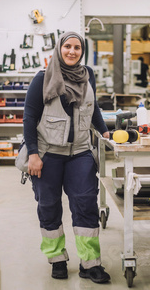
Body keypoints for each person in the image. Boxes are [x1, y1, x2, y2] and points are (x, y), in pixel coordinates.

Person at [23, 31, 111, 284]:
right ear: (59, 48)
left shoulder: (88, 76)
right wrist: (33, 155)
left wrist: (105, 132)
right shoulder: (42, 78)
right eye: (67, 46)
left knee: (86, 205)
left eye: (77, 47)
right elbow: (29, 118)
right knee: (49, 206)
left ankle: (90, 263)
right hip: (48, 154)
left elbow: (93, 110)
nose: (72, 51)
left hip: (81, 153)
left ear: (82, 51)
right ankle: (57, 259)